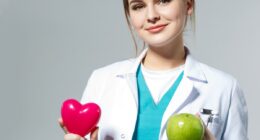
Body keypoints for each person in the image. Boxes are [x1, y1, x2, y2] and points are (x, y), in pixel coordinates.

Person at [58, 0, 248, 139]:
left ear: (188, 4)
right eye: (138, 6)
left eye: (163, 1)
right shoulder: (101, 80)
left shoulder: (224, 88)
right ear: (130, 16)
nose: (151, 16)